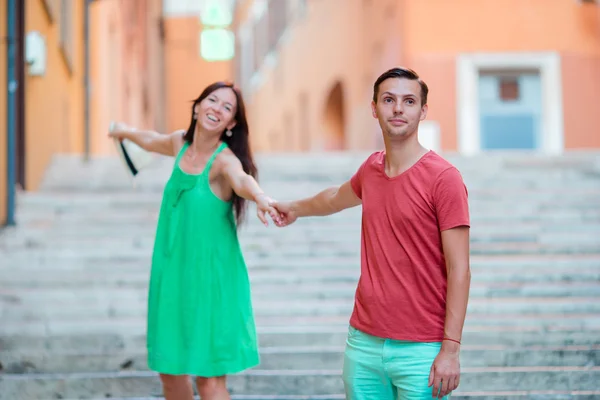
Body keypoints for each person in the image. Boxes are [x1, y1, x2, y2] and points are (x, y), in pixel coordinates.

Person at [271, 67, 471, 399]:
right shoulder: (371, 169)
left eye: (409, 101)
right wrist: (293, 208)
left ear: (422, 111)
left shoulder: (444, 178)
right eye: (389, 99)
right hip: (363, 342)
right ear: (374, 107)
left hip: (422, 349)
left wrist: (450, 349)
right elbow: (335, 198)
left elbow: (460, 269)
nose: (397, 109)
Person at [108, 81, 280, 400]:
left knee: (209, 381)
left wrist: (260, 197)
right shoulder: (179, 144)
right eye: (212, 100)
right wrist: (124, 132)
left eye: (227, 107)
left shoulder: (224, 161)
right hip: (172, 278)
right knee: (170, 373)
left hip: (212, 282)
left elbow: (241, 179)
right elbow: (151, 140)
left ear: (231, 124)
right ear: (197, 107)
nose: (217, 108)